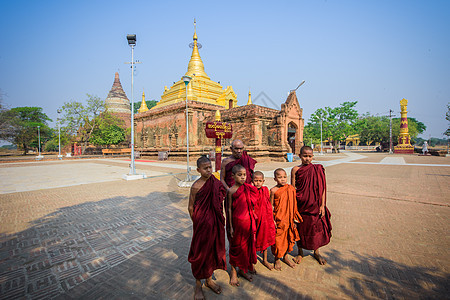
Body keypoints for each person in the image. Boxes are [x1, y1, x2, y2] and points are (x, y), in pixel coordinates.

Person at [188, 156, 227, 299]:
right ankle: (198, 284)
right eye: (205, 168)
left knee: (211, 251)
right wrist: (197, 223)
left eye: (210, 167)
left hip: (215, 224)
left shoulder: (215, 183)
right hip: (201, 227)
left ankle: (209, 280)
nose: (209, 170)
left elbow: (221, 196)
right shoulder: (196, 186)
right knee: (200, 254)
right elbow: (191, 207)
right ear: (198, 170)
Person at [291, 146, 332, 265]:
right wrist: (293, 207)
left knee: (316, 229)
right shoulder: (295, 169)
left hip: (315, 205)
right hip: (301, 204)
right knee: (300, 228)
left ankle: (316, 252)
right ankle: (300, 252)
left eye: (309, 156)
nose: (307, 159)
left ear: (313, 156)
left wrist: (322, 205)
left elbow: (322, 188)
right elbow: (293, 188)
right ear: (299, 156)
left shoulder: (317, 169)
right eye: (305, 156)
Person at [227, 164, 258, 286]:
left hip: (248, 223)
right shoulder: (231, 190)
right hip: (237, 224)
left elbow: (253, 204)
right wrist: (230, 226)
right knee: (236, 248)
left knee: (246, 248)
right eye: (239, 175)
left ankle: (243, 269)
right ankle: (234, 272)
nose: (243, 177)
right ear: (233, 176)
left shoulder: (249, 188)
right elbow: (229, 209)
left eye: (244, 175)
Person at [270, 168, 302, 271]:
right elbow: (270, 206)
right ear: (275, 179)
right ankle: (277, 258)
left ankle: (286, 257)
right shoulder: (273, 190)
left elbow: (294, 204)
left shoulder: (291, 189)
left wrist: (294, 218)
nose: (283, 179)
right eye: (280, 177)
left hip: (289, 218)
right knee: (278, 239)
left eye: (284, 177)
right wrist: (272, 220)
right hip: (279, 219)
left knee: (288, 237)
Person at [252, 171, 276, 270]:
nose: (258, 183)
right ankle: (252, 260)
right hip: (254, 219)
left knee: (265, 239)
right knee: (253, 240)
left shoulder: (266, 190)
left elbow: (269, 205)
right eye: (256, 181)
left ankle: (265, 259)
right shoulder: (250, 191)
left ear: (263, 181)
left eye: (260, 181)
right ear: (252, 181)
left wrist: (272, 219)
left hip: (265, 219)